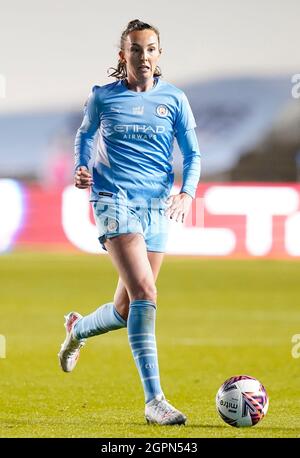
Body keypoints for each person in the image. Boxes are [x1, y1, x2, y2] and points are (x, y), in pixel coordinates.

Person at [58, 19, 201, 426]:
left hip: (157, 206)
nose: (144, 56)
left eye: (151, 49)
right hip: (112, 199)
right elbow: (84, 137)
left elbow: (193, 154)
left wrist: (187, 193)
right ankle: (154, 400)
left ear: (159, 55)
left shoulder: (174, 99)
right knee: (145, 291)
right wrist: (82, 166)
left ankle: (77, 329)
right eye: (135, 50)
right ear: (123, 56)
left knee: (126, 308)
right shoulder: (103, 97)